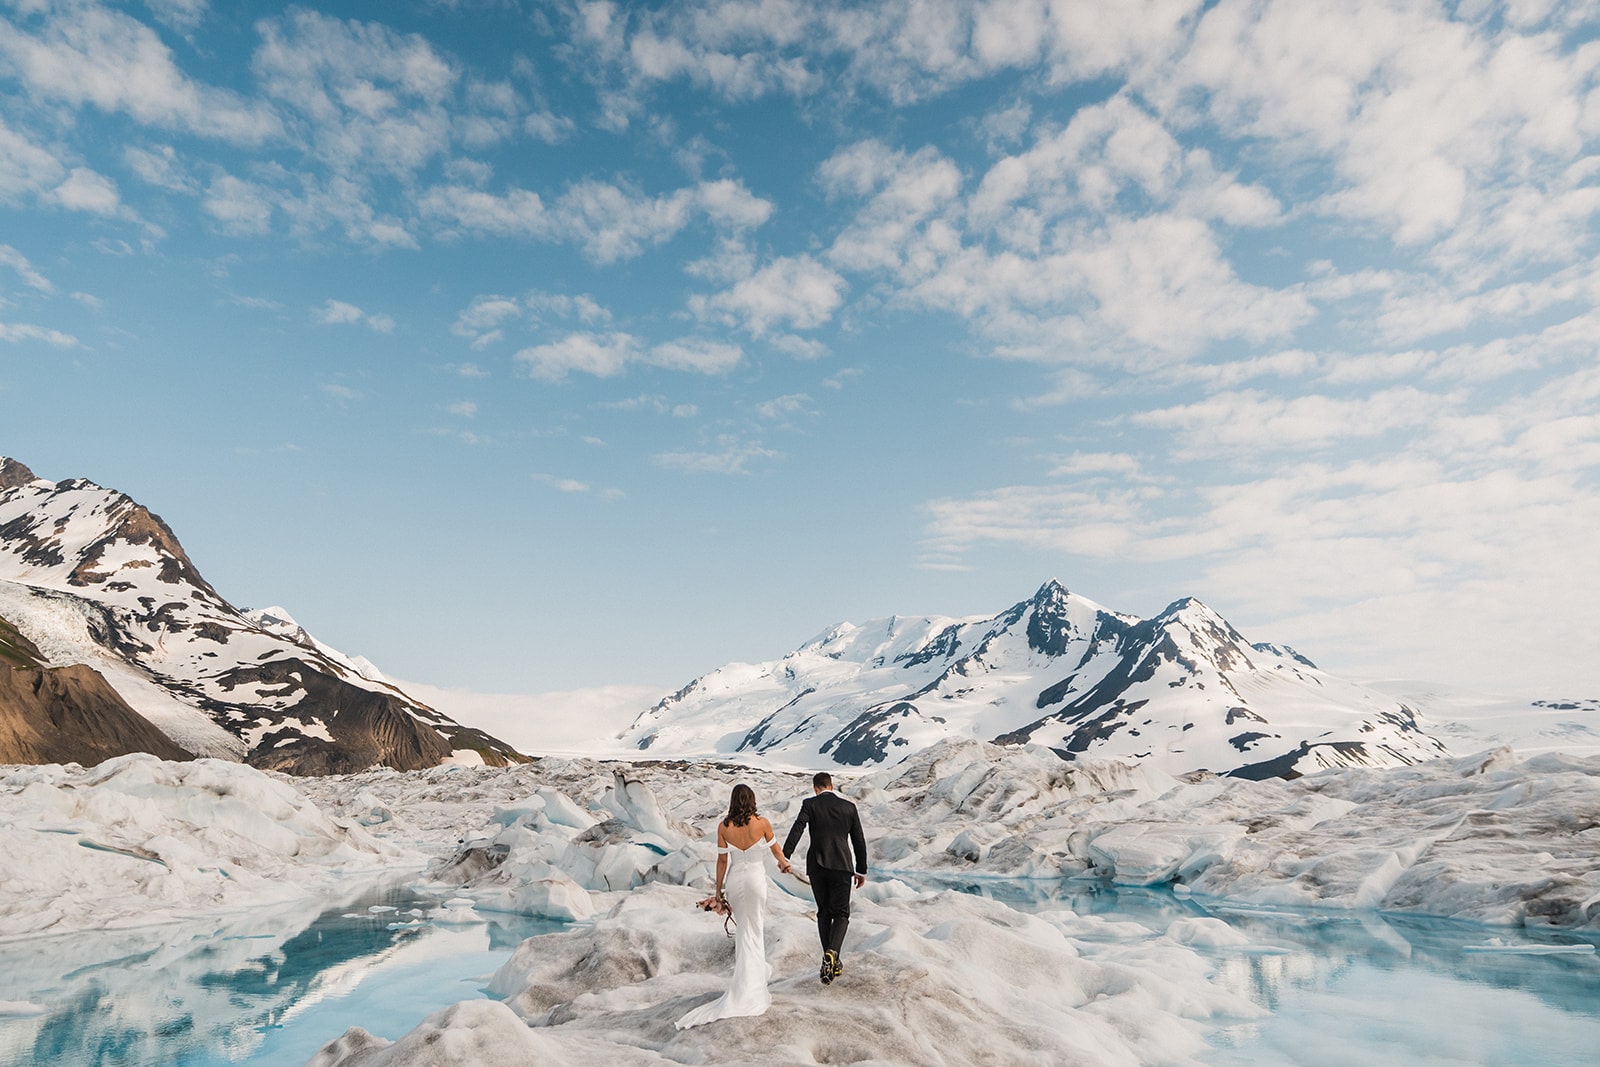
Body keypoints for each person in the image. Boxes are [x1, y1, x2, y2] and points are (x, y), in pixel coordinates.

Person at [676, 783, 792, 1029]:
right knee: (755, 928)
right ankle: (753, 987)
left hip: (736, 880)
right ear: (751, 800)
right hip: (756, 881)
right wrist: (784, 864)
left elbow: (721, 860)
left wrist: (718, 892)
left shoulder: (724, 826)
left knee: (743, 931)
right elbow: (775, 850)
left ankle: (747, 982)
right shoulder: (761, 823)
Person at [783, 771, 867, 985]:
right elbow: (858, 839)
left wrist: (785, 855)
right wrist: (861, 869)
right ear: (832, 785)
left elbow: (798, 828)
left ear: (815, 788)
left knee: (823, 913)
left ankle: (830, 960)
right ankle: (832, 953)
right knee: (841, 914)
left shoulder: (810, 804)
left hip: (817, 867)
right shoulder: (849, 807)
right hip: (842, 866)